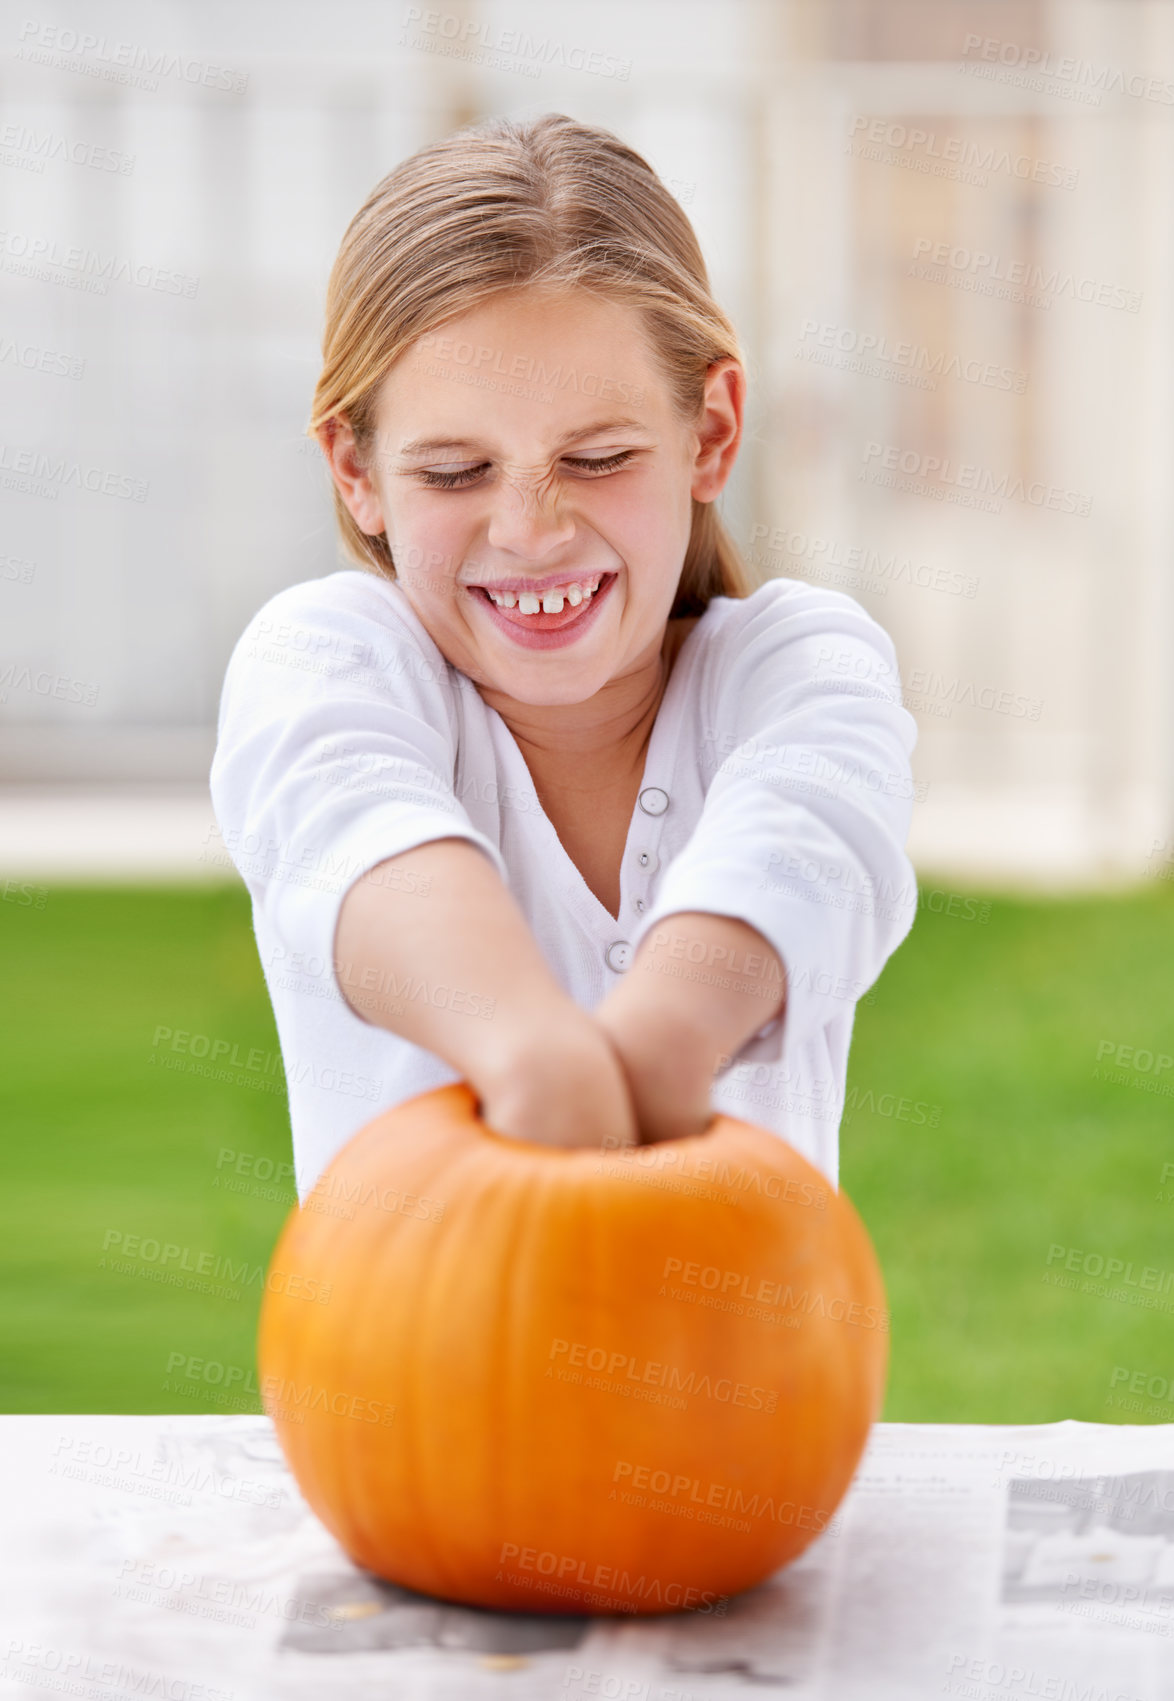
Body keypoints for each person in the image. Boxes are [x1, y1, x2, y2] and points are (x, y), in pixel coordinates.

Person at [210, 112, 918, 1204]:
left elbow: (807, 845)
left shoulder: (798, 671)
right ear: (355, 469)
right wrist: (533, 1050)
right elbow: (347, 828)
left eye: (596, 458)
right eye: (453, 472)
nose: (530, 531)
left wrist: (651, 1051)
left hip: (751, 1381)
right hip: (410, 1379)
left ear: (712, 432)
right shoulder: (323, 657)